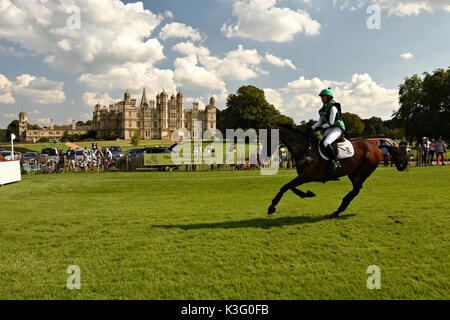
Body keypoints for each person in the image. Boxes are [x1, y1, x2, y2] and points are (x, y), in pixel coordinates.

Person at [311, 88, 346, 170]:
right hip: (329, 129)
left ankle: (336, 162)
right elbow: (320, 121)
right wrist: (312, 128)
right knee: (318, 139)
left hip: (337, 128)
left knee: (326, 142)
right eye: (321, 97)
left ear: (329, 97)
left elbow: (331, 122)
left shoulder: (333, 107)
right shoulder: (321, 110)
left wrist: (321, 127)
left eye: (324, 97)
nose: (322, 99)